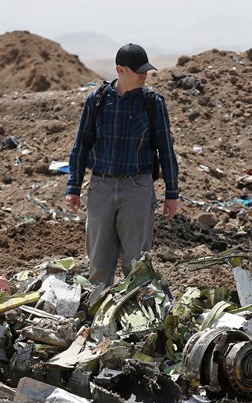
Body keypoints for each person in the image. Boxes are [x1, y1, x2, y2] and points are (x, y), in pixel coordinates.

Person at [66, 43, 179, 287]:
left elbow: (166, 150)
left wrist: (172, 193)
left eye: (146, 70)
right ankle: (100, 308)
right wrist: (73, 187)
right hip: (101, 188)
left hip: (137, 189)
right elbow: (81, 145)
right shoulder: (96, 101)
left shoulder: (152, 103)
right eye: (139, 70)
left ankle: (137, 308)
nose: (144, 75)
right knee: (99, 262)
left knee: (136, 263)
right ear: (120, 70)